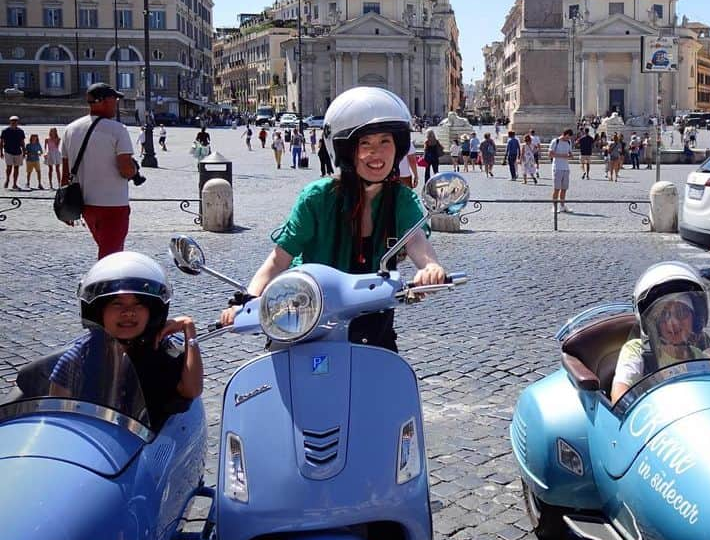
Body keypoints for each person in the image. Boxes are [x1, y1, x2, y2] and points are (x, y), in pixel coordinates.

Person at [218, 86, 447, 350]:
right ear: (346, 150)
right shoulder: (317, 198)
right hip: (305, 320)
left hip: (372, 327)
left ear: (397, 147)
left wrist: (430, 268)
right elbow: (279, 259)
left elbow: (417, 240)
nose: (377, 153)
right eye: (365, 143)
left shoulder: (401, 200)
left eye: (385, 141)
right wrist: (247, 300)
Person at [50, 251, 202, 430]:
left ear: (152, 312)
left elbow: (192, 390)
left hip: (145, 448)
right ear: (99, 312)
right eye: (117, 303)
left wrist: (189, 330)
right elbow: (57, 418)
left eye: (138, 304)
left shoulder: (162, 350)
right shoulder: (79, 356)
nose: (128, 312)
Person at [611, 262, 710, 404]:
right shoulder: (638, 351)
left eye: (681, 312)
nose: (673, 323)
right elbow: (619, 393)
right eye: (663, 315)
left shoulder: (698, 356)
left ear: (695, 318)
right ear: (652, 322)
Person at [61, 84, 140, 259]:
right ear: (104, 101)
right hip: (113, 204)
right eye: (115, 99)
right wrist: (135, 169)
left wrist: (66, 206)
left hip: (86, 204)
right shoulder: (117, 129)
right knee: (111, 257)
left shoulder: (70, 129)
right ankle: (104, 284)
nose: (117, 103)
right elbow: (126, 170)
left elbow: (65, 172)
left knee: (106, 250)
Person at [549, 128, 573, 211]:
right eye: (567, 137)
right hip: (557, 167)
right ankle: (554, 206)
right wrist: (563, 156)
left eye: (569, 138)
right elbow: (550, 154)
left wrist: (569, 156)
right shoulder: (555, 141)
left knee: (564, 189)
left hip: (566, 168)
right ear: (564, 134)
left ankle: (562, 205)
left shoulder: (569, 142)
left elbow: (570, 154)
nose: (568, 139)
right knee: (556, 188)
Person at [3, 115, 26, 189]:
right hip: (8, 151)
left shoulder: (20, 131)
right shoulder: (5, 131)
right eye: (13, 121)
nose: (14, 122)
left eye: (15, 121)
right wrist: (1, 152)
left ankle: (14, 183)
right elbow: (1, 142)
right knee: (9, 167)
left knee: (16, 168)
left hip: (18, 151)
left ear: (17, 122)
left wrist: (24, 151)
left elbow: (22, 142)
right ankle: (7, 180)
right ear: (10, 122)